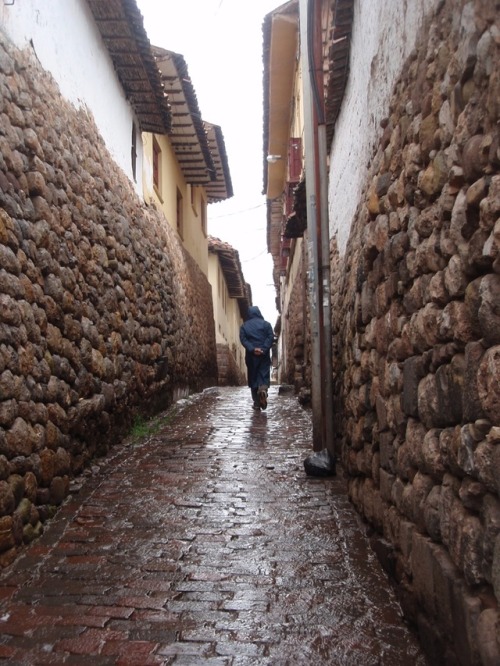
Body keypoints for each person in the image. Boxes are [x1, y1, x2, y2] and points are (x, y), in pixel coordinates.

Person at [239, 306, 274, 411]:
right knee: (263, 373)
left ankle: (257, 403)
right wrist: (263, 349)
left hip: (251, 356)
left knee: (253, 377)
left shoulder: (244, 326)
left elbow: (243, 339)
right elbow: (270, 337)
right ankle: (263, 389)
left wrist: (253, 349)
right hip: (264, 355)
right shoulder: (266, 325)